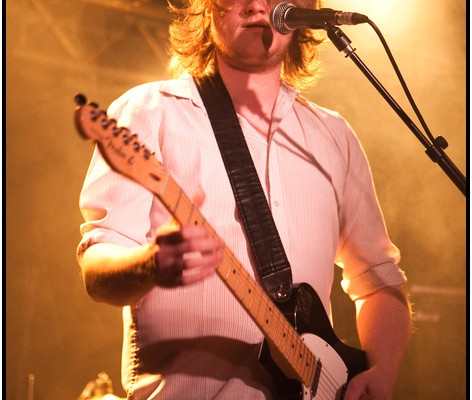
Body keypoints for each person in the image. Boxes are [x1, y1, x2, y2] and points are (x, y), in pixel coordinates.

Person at [76, 0, 413, 398]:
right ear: (206, 9)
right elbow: (98, 272)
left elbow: (378, 280)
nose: (257, 4)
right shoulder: (150, 112)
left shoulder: (334, 136)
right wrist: (150, 264)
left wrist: (383, 371)